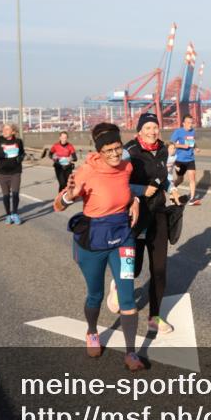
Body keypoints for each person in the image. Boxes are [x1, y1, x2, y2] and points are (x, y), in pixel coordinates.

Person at [53, 122, 144, 372]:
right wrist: (70, 196)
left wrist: (134, 200)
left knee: (127, 295)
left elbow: (126, 189)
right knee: (96, 293)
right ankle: (92, 331)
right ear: (99, 151)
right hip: (93, 240)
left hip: (123, 237)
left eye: (118, 148)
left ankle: (131, 353)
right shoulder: (86, 171)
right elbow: (58, 205)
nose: (115, 154)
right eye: (109, 151)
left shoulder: (127, 166)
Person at [121, 112, 180, 334]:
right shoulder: (129, 152)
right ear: (139, 131)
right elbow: (117, 182)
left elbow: (163, 176)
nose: (153, 131)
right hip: (135, 215)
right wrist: (140, 190)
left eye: (155, 127)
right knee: (133, 269)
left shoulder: (163, 149)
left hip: (158, 213)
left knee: (159, 269)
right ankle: (118, 287)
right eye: (147, 128)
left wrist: (171, 189)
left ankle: (155, 316)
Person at [0, 123, 25, 224]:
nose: (4, 131)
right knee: (6, 195)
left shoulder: (18, 141)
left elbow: (22, 152)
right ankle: (8, 215)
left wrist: (21, 157)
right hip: (2, 173)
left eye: (7, 129)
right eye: (4, 129)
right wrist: (2, 154)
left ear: (13, 131)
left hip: (15, 172)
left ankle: (15, 213)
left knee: (15, 194)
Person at [170, 114, 200, 205]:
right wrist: (182, 146)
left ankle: (192, 199)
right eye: (188, 123)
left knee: (192, 178)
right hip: (180, 160)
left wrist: (196, 148)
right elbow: (171, 144)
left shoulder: (192, 132)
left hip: (190, 159)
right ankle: (172, 188)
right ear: (183, 123)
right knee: (180, 179)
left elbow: (192, 142)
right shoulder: (178, 132)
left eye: (191, 122)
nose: (190, 124)